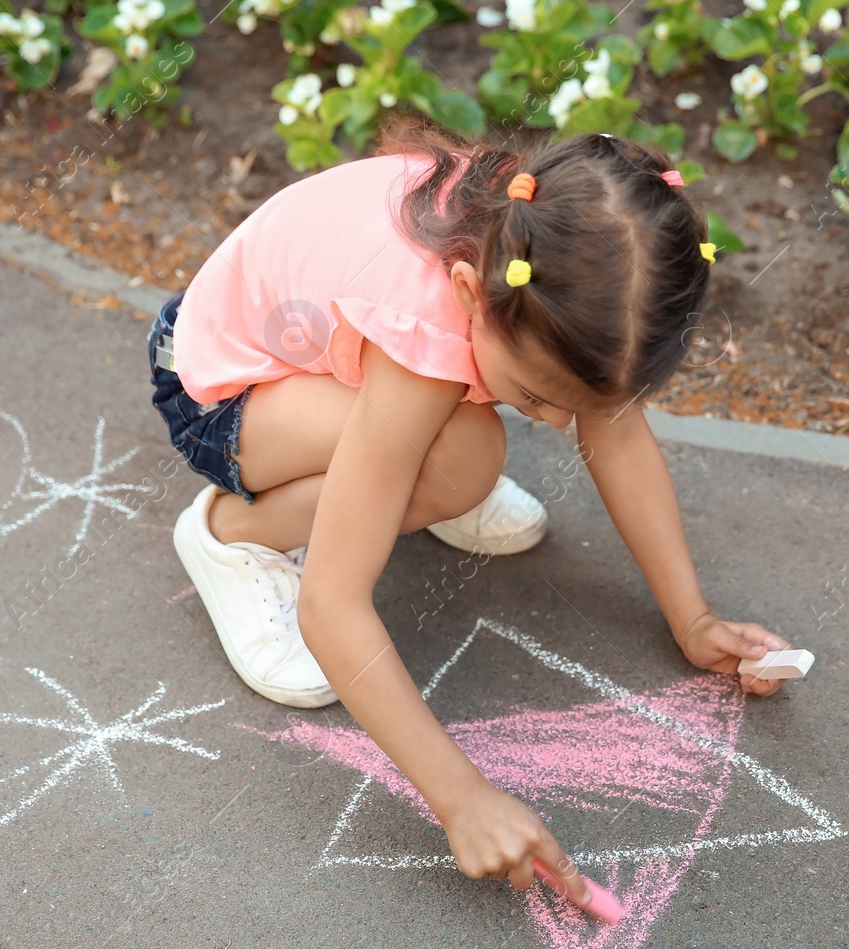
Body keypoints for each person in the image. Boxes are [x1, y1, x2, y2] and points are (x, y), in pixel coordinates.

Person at [147, 125, 793, 907]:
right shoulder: (428, 327)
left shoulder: (555, 242)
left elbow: (614, 434)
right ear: (465, 296)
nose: (557, 425)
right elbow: (333, 604)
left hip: (310, 359)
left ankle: (413, 471)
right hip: (218, 388)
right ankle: (231, 534)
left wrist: (692, 617)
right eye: (538, 397)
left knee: (462, 447)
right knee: (461, 457)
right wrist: (462, 798)